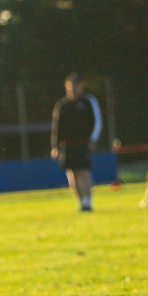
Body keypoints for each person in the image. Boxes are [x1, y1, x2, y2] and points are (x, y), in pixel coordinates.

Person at [51, 74, 102, 212]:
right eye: (71, 85)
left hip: (83, 143)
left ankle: (88, 201)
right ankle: (81, 202)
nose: (74, 88)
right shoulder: (62, 105)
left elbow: (97, 121)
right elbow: (57, 128)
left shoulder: (88, 101)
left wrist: (93, 139)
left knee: (84, 172)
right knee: (72, 174)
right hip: (67, 145)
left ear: (81, 86)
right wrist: (55, 146)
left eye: (77, 85)